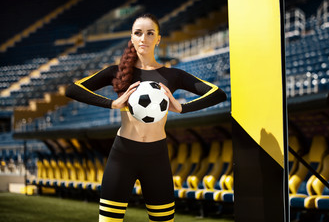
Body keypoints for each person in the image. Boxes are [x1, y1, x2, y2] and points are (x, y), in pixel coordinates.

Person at [65, 13, 227, 222]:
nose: (144, 38)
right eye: (138, 33)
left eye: (150, 33)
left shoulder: (173, 75)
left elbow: (217, 93)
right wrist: (111, 103)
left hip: (156, 157)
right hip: (122, 155)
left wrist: (182, 108)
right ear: (132, 38)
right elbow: (72, 89)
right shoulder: (117, 72)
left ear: (158, 39)